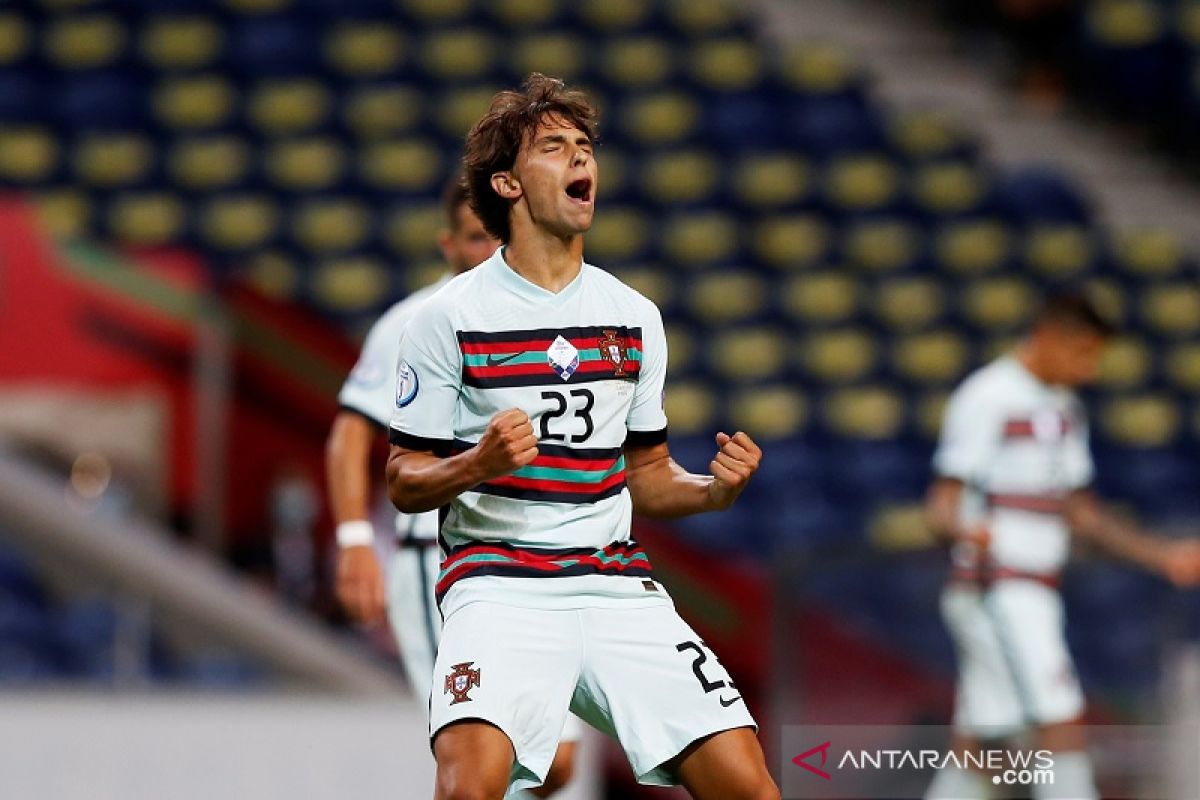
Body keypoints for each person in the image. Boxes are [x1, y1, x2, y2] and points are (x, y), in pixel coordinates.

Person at [385, 74, 780, 800]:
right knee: (467, 789)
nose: (581, 161)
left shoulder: (633, 315)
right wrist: (479, 462)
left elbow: (650, 476)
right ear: (506, 183)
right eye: (555, 147)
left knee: (749, 786)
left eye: (585, 147)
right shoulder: (447, 319)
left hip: (614, 585)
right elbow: (404, 479)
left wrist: (714, 490)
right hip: (497, 589)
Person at [326, 176, 581, 798]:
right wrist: (356, 540)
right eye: (473, 238)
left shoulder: (555, 317)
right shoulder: (413, 321)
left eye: (497, 234)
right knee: (478, 759)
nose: (488, 250)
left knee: (556, 762)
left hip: (534, 559)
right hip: (439, 562)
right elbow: (351, 433)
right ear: (447, 245)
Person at [924, 290, 1200, 799]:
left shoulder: (1065, 407)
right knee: (1060, 717)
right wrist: (963, 530)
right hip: (997, 588)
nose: (1090, 370)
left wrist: (1162, 556)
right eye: (1083, 354)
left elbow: (1082, 513)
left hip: (1034, 588)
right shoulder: (987, 395)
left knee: (983, 744)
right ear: (1047, 338)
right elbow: (940, 503)